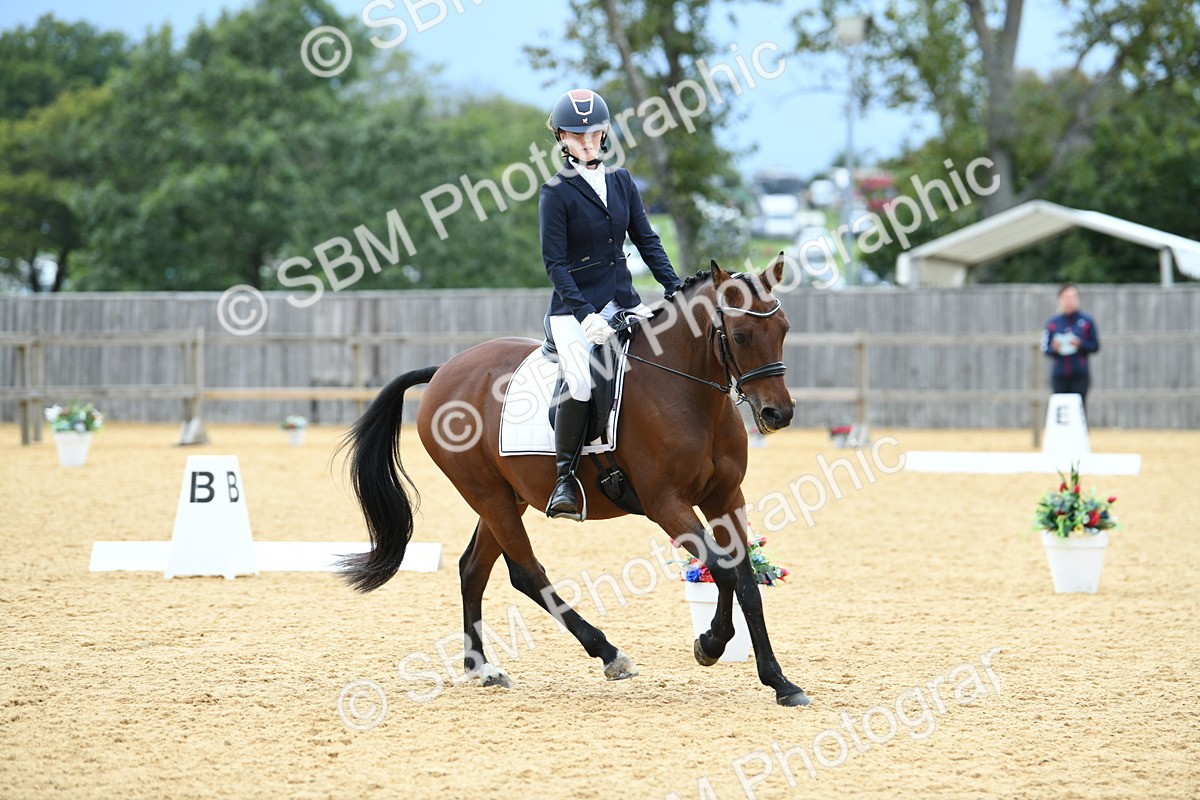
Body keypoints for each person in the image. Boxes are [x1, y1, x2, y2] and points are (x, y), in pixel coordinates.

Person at [540, 88, 683, 521]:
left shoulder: (621, 182)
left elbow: (647, 240)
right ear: (561, 139)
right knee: (582, 382)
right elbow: (556, 264)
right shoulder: (555, 193)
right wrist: (585, 316)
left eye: (593, 133)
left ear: (604, 133)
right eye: (576, 135)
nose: (586, 141)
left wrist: (676, 288)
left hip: (623, 300)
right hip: (573, 312)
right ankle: (565, 479)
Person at [1041, 282, 1100, 416]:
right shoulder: (1053, 322)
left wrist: (1080, 344)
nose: (1070, 301)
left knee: (1079, 411)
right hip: (1059, 374)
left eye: (1073, 297)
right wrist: (1054, 348)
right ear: (1060, 299)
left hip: (1080, 374)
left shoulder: (1086, 321)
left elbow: (1095, 346)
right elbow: (1045, 349)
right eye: (1066, 297)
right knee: (1060, 412)